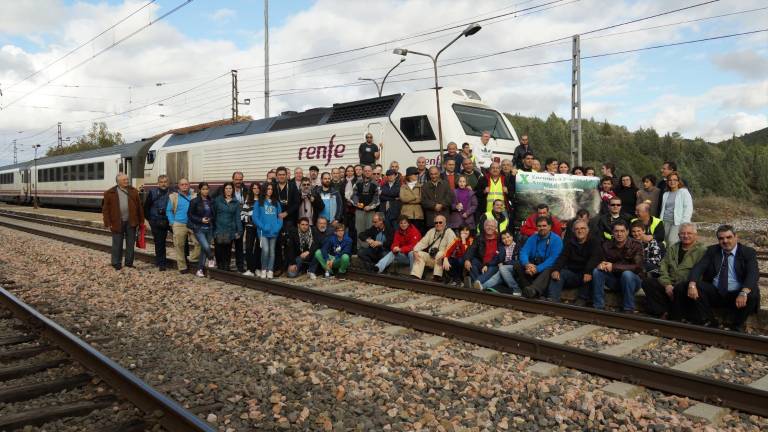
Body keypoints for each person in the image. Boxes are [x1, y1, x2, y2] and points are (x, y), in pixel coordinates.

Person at [682, 225, 760, 332]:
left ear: (736, 237)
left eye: (728, 237)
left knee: (753, 291)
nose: (725, 241)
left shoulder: (748, 252)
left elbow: (753, 274)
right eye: (721, 238)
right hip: (716, 293)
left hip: (737, 295)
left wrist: (744, 292)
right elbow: (699, 267)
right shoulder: (712, 250)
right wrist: (692, 284)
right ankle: (710, 321)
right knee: (696, 285)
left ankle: (737, 325)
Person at [641, 223, 705, 319]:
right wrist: (667, 284)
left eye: (689, 233)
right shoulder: (673, 248)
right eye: (683, 233)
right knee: (648, 282)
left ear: (695, 235)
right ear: (679, 235)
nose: (686, 236)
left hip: (685, 286)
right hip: (670, 283)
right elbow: (663, 267)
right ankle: (663, 311)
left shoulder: (702, 251)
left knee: (680, 289)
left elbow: (700, 272)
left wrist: (679, 286)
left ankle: (677, 314)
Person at [591, 220, 644, 312]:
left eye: (622, 231)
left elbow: (638, 267)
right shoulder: (606, 245)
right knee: (597, 271)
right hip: (614, 280)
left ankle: (628, 308)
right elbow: (600, 261)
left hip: (633, 281)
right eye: (616, 231)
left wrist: (614, 266)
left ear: (627, 232)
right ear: (612, 232)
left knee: (627, 274)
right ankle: (598, 306)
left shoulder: (636, 245)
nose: (619, 234)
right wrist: (600, 264)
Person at [547, 219, 601, 303]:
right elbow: (562, 257)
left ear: (587, 230)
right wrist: (556, 269)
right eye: (577, 229)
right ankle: (552, 300)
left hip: (585, 273)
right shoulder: (569, 242)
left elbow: (594, 258)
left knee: (592, 274)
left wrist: (588, 271)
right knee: (558, 274)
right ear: (573, 231)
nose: (580, 231)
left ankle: (582, 299)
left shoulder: (594, 242)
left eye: (582, 228)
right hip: (571, 273)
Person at [102, 173, 144, 270]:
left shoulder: (133, 191)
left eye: (127, 179)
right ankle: (116, 263)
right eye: (124, 180)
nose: (127, 181)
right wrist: (107, 223)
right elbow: (105, 210)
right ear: (118, 181)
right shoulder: (109, 193)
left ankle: (129, 263)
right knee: (117, 243)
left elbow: (139, 207)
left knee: (130, 243)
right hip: (116, 222)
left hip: (131, 221)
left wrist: (141, 221)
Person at [516, 216, 563, 298]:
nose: (542, 228)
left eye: (544, 226)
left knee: (550, 269)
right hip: (533, 265)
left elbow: (553, 259)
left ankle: (533, 289)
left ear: (549, 227)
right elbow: (524, 252)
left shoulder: (557, 240)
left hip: (545, 267)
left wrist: (537, 268)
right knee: (517, 265)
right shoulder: (532, 238)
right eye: (539, 226)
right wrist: (527, 264)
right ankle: (530, 290)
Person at [166, 178, 199, 274]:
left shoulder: (195, 196)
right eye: (182, 184)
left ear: (189, 185)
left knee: (199, 243)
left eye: (186, 184)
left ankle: (193, 259)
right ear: (179, 186)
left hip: (193, 223)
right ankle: (182, 266)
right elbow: (169, 210)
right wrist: (172, 222)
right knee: (179, 246)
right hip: (179, 224)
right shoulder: (173, 197)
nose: (184, 186)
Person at [410, 215, 456, 281]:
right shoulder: (431, 231)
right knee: (419, 254)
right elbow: (423, 242)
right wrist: (415, 250)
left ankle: (437, 276)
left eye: (440, 222)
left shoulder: (449, 232)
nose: (438, 224)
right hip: (431, 257)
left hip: (442, 260)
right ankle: (416, 276)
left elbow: (451, 247)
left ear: (445, 223)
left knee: (440, 253)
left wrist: (445, 256)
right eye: (436, 223)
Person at [273, 166, 300, 275]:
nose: (281, 176)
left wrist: (286, 213)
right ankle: (278, 267)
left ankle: (290, 265)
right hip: (276, 219)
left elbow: (297, 203)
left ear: (287, 176)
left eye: (283, 174)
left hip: (289, 219)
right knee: (277, 243)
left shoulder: (292, 187)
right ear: (277, 176)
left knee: (289, 243)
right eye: (279, 175)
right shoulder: (273, 187)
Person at [477, 231, 520, 295]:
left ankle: (516, 289)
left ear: (512, 237)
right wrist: (487, 265)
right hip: (503, 269)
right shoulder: (501, 248)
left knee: (502, 268)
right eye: (504, 238)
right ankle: (482, 286)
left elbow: (519, 261)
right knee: (497, 276)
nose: (506, 240)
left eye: (508, 237)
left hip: (514, 267)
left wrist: (505, 263)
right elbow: (495, 259)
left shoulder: (518, 246)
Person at [212, 182, 243, 272]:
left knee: (227, 249)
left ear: (232, 190)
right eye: (227, 188)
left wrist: (239, 231)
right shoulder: (218, 200)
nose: (228, 190)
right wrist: (213, 228)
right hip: (219, 228)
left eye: (230, 188)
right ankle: (220, 266)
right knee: (218, 249)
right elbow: (213, 214)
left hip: (230, 229)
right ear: (224, 190)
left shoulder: (235, 202)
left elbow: (237, 217)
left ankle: (226, 266)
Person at [187, 182, 216, 277]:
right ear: (200, 190)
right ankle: (211, 258)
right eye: (203, 189)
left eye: (207, 189)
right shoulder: (194, 201)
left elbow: (214, 214)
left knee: (204, 249)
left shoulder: (211, 201)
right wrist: (201, 220)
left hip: (209, 228)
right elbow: (190, 215)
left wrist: (210, 219)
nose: (205, 191)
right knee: (206, 247)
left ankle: (199, 270)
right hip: (198, 228)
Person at [255, 182, 283, 279]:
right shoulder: (259, 202)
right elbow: (255, 217)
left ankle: (270, 270)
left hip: (274, 232)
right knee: (265, 250)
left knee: (272, 251)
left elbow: (280, 218)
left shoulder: (276, 203)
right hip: (263, 232)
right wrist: (262, 226)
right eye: (268, 189)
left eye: (271, 189)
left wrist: (277, 228)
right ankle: (263, 269)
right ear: (264, 190)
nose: (270, 191)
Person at [143, 175, 170, 271]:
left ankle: (184, 261)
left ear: (168, 183)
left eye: (165, 181)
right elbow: (146, 207)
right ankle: (161, 263)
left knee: (181, 240)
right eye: (161, 182)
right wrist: (150, 220)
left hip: (169, 220)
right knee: (159, 242)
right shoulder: (152, 193)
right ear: (158, 183)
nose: (163, 184)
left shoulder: (172, 193)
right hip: (156, 221)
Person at [464, 219, 501, 286]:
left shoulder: (500, 238)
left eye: (492, 226)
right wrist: (467, 259)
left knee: (491, 269)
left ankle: (476, 282)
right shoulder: (479, 237)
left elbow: (500, 255)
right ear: (484, 227)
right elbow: (471, 248)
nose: (490, 228)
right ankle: (478, 284)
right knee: (472, 261)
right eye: (487, 226)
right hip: (482, 262)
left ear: (496, 228)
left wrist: (488, 265)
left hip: (493, 264)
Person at [660, 172, 693, 246]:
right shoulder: (666, 194)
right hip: (665, 221)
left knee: (672, 241)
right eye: (670, 180)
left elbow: (688, 208)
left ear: (678, 181)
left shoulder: (684, 192)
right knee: (665, 242)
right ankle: (667, 257)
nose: (672, 182)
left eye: (675, 180)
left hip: (677, 222)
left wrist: (684, 223)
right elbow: (663, 209)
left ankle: (673, 257)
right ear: (667, 182)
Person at [352, 165, 380, 249]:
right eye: (366, 171)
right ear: (363, 172)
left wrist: (370, 206)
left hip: (370, 211)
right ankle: (359, 248)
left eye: (369, 171)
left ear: (372, 172)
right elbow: (354, 195)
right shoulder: (357, 182)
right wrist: (357, 203)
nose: (367, 172)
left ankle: (369, 248)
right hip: (359, 210)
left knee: (370, 229)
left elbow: (377, 198)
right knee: (359, 230)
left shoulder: (376, 184)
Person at [242, 182, 261, 276]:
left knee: (259, 248)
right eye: (254, 188)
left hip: (260, 228)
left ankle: (257, 268)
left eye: (257, 188)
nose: (256, 190)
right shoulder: (248, 200)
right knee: (249, 247)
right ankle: (250, 269)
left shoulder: (262, 200)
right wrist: (248, 219)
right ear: (251, 190)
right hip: (250, 227)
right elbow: (243, 214)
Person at [399, 167, 424, 233]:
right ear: (409, 176)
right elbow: (403, 198)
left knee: (417, 232)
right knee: (406, 232)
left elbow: (420, 199)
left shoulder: (421, 186)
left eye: (417, 174)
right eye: (414, 174)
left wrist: (409, 199)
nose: (416, 175)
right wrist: (414, 197)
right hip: (406, 213)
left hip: (418, 214)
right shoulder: (403, 186)